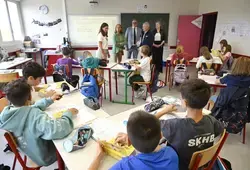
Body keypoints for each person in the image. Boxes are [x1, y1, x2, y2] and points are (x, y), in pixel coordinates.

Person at [114, 79, 224, 170]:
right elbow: (220, 130)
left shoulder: (174, 126)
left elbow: (148, 125)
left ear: (184, 103)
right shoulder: (211, 120)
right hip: (203, 165)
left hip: (179, 165)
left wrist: (164, 111)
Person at [0, 79, 78, 166]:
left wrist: (49, 100)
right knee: (74, 139)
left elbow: (27, 109)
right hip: (43, 155)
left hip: (27, 149)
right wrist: (68, 114)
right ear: (29, 97)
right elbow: (57, 130)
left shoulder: (6, 113)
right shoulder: (35, 116)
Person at [88, 111, 179, 170]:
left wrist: (98, 156)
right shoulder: (171, 154)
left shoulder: (125, 166)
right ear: (161, 136)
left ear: (129, 142)